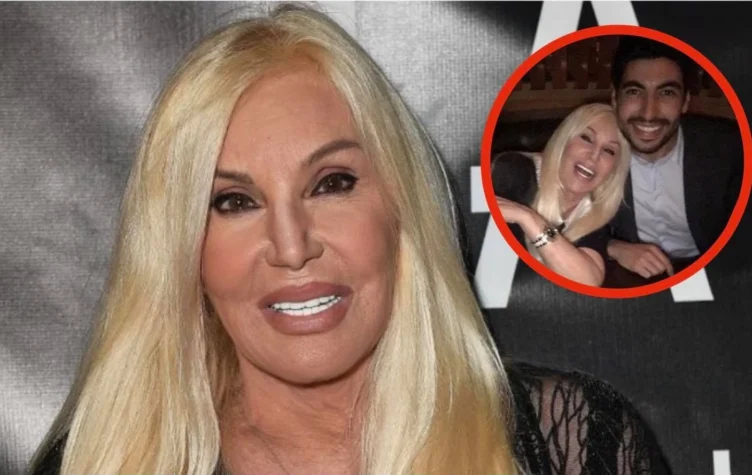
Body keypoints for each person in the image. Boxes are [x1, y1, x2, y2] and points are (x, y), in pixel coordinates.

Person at [29, 5, 670, 475]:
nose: (291, 246)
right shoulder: (96, 461)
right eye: (233, 202)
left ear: (400, 207)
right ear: (181, 249)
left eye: (331, 184)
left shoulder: (579, 445)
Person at [607, 36, 744, 280]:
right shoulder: (595, 148)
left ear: (685, 102)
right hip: (630, 276)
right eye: (635, 91)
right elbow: (563, 219)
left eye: (667, 93)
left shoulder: (730, 149)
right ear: (615, 99)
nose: (649, 113)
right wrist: (613, 247)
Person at [492, 103, 631, 287]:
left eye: (609, 151)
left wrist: (529, 218)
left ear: (614, 169)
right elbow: (496, 269)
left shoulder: (592, 212)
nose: (594, 155)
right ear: (565, 140)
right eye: (586, 138)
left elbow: (588, 281)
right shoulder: (514, 171)